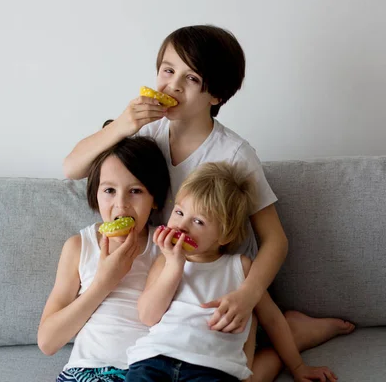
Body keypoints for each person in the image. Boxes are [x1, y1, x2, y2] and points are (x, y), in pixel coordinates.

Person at [64, 25, 354, 379]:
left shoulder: (235, 154)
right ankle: (283, 331)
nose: (172, 86)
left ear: (215, 95)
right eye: (168, 70)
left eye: (191, 79)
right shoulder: (144, 133)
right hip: (171, 275)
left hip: (224, 280)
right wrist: (122, 124)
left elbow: (275, 240)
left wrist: (248, 294)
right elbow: (72, 167)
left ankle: (289, 332)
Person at [125, 162, 337, 382]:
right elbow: (148, 316)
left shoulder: (240, 268)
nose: (182, 225)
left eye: (198, 221)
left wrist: (298, 367)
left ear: (225, 235)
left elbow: (272, 319)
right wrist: (174, 265)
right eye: (179, 212)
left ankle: (300, 332)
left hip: (212, 368)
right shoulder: (164, 261)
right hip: (155, 358)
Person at [38, 135, 170, 381]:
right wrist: (104, 282)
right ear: (95, 194)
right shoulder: (80, 247)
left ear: (154, 199)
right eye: (109, 190)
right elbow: (48, 342)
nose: (121, 205)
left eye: (136, 191)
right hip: (86, 370)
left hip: (146, 372)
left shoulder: (165, 248)